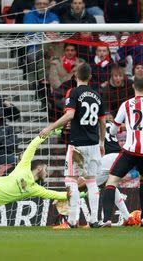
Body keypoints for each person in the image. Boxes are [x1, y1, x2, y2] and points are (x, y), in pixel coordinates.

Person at [40, 63, 106, 228]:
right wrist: (102, 142)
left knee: (71, 180)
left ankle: (72, 220)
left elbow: (69, 115)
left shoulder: (74, 92)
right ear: (90, 77)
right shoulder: (97, 95)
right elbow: (103, 121)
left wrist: (50, 127)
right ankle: (94, 220)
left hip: (77, 143)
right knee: (91, 181)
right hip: (93, 143)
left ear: (75, 75)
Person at [101, 74, 143, 228]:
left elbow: (112, 131)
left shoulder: (127, 104)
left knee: (111, 181)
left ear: (133, 86)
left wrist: (118, 129)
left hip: (130, 149)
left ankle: (107, 220)